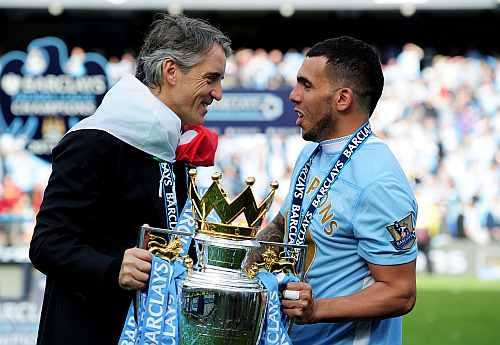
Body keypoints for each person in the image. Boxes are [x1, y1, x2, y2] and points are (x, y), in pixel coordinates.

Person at [29, 14, 231, 345]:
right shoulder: (94, 141)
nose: (218, 93)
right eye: (211, 79)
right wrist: (113, 268)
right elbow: (46, 245)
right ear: (170, 72)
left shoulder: (171, 145)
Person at [256, 36, 417, 344]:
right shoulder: (312, 153)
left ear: (343, 99)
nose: (293, 95)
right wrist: (239, 264)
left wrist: (316, 309)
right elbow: (286, 224)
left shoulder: (378, 180)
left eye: (306, 85)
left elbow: (400, 293)